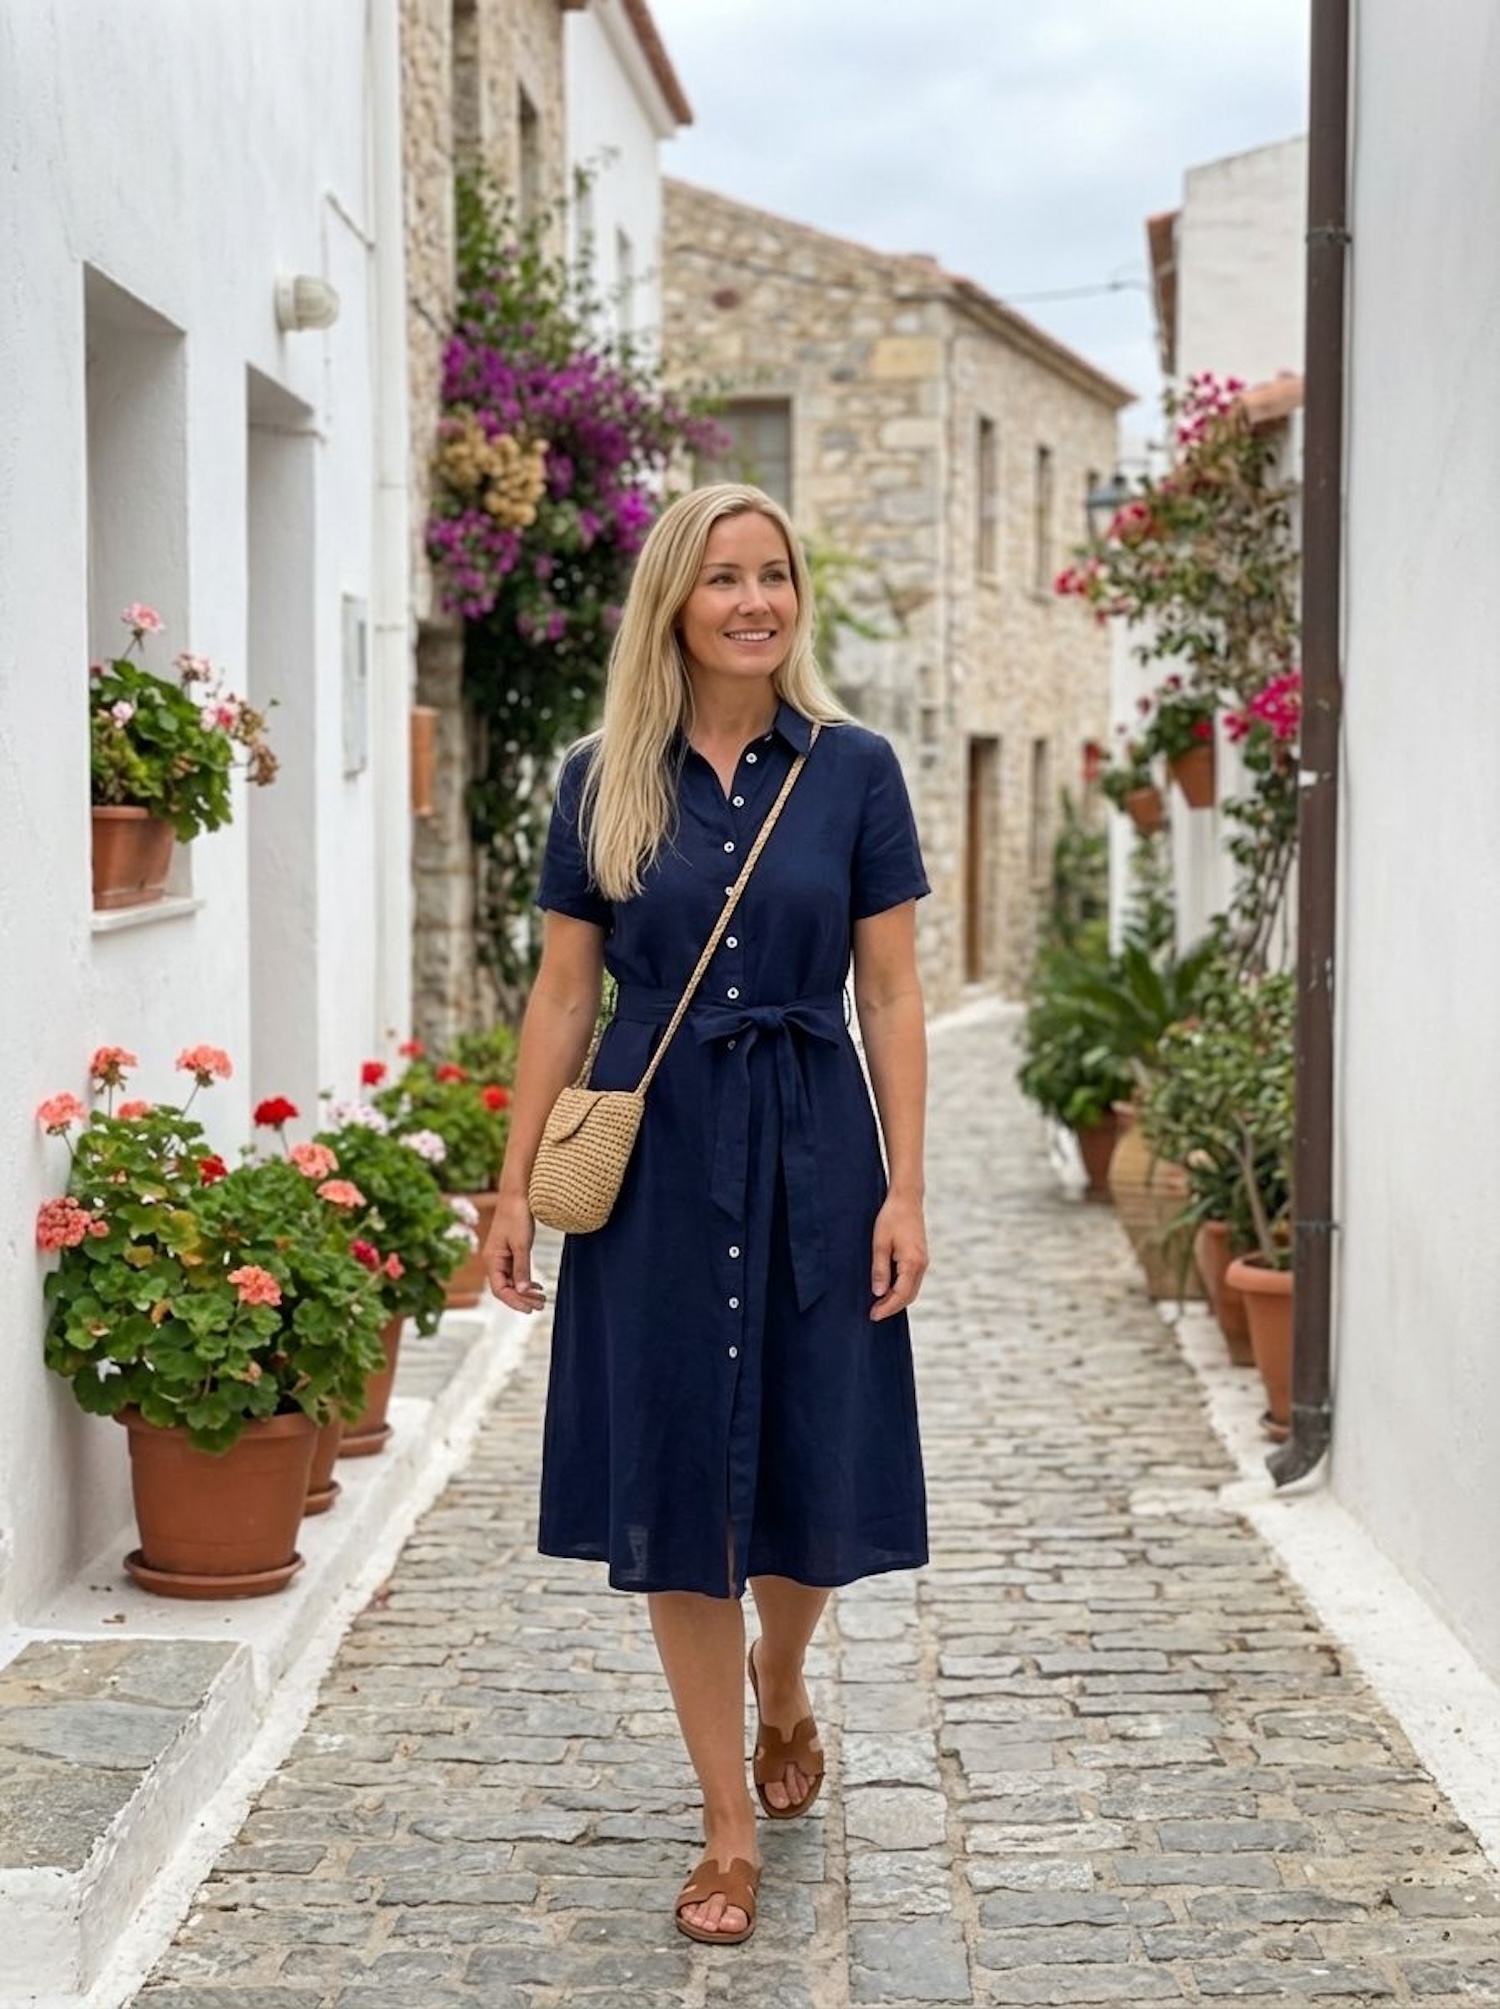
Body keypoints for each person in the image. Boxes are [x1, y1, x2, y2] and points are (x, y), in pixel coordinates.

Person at [484, 481, 930, 1947]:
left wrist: (906, 1185)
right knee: (679, 1484)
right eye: (725, 577)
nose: (755, 601)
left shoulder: (855, 771)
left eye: (775, 575)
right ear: (674, 602)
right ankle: (726, 1824)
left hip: (817, 1146)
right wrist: (513, 1186)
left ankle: (781, 1676)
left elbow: (892, 993)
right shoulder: (600, 778)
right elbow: (564, 993)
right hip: (659, 1160)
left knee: (811, 1462)